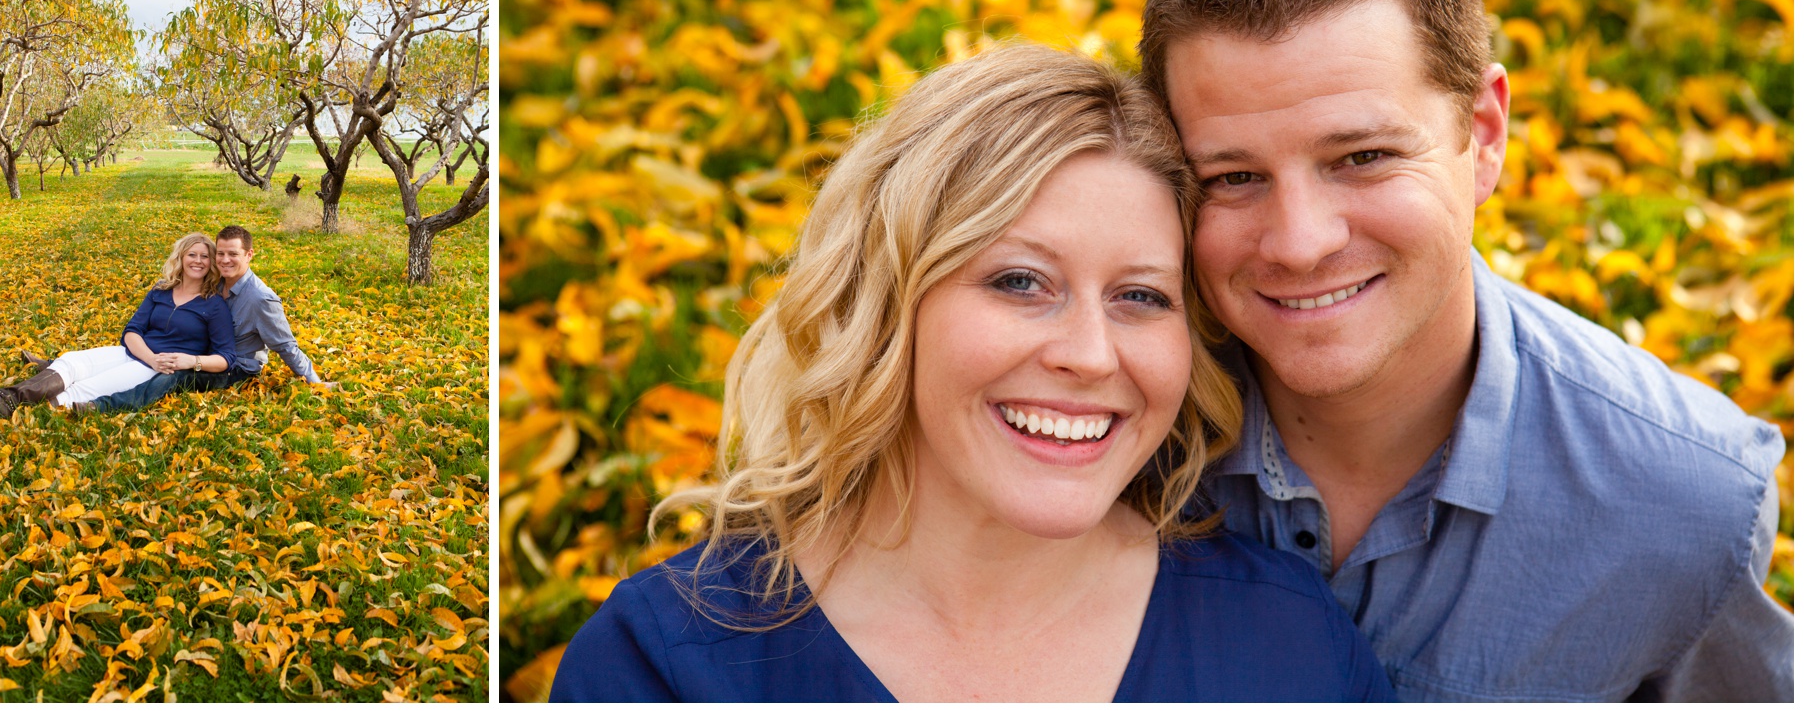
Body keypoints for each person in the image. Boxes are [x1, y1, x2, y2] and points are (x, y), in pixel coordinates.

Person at [550, 45, 1395, 702]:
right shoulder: (666, 665)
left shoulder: (1288, 642)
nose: (1091, 354)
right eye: (1020, 282)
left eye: (1141, 295)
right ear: (887, 304)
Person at [1138, 0, 1792, 702]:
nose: (1300, 243)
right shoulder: (1105, 430)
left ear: (1483, 135)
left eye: (1362, 157)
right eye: (1232, 176)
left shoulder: (1683, 504)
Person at [0, 233, 237, 415]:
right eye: (192, 254)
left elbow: (225, 358)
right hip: (136, 354)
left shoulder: (214, 305)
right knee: (70, 362)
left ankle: (22, 413)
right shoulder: (161, 290)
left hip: (158, 368)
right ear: (181, 258)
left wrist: (190, 361)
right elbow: (132, 331)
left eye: (204, 257)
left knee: (87, 388)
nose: (197, 261)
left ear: (211, 263)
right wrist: (149, 356)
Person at [59, 224, 330, 414]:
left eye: (233, 254)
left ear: (249, 255)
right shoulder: (217, 283)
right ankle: (63, 369)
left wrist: (315, 382)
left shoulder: (261, 299)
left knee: (174, 375)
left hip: (234, 368)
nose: (224, 260)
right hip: (205, 352)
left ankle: (102, 406)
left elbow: (286, 346)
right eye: (220, 254)